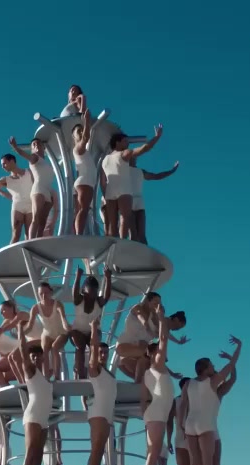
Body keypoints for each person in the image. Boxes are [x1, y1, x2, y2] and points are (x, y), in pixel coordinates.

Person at [184, 337, 242, 465]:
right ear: (206, 369)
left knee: (198, 463)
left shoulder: (191, 384)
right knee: (207, 463)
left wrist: (182, 424)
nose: (214, 367)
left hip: (193, 423)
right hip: (206, 425)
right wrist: (237, 350)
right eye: (212, 366)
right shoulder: (212, 382)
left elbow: (184, 404)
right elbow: (230, 368)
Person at [7, 313, 55, 465]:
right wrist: (20, 330)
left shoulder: (45, 376)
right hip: (33, 415)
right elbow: (22, 351)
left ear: (42, 358)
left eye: (38, 356)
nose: (35, 358)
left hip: (43, 418)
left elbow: (49, 351)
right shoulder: (30, 371)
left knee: (39, 453)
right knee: (31, 451)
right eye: (33, 356)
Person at [101, 126, 163, 239]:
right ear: (117, 142)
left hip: (110, 190)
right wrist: (157, 137)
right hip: (123, 189)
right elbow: (144, 148)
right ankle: (122, 241)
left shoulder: (104, 160)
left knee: (112, 223)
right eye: (125, 141)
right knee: (125, 217)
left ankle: (113, 242)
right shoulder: (123, 154)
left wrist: (105, 194)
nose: (127, 144)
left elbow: (102, 181)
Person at [138, 314, 176, 465]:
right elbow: (163, 339)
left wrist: (145, 416)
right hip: (157, 413)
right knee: (153, 452)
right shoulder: (157, 366)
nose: (164, 354)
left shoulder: (150, 372)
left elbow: (143, 398)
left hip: (156, 413)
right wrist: (161, 319)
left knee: (155, 452)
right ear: (154, 353)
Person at [115, 292, 188, 382]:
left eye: (159, 304)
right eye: (155, 302)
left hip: (135, 354)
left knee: (149, 365)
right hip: (124, 347)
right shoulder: (138, 308)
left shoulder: (153, 318)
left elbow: (163, 333)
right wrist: (148, 327)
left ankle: (139, 384)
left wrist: (178, 342)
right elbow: (141, 317)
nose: (158, 305)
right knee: (149, 356)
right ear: (147, 301)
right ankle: (139, 383)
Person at [84, 318, 117, 465]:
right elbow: (93, 348)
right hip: (98, 413)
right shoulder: (94, 368)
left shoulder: (108, 373)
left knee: (101, 450)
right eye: (100, 352)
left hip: (106, 413)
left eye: (105, 352)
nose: (103, 355)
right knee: (96, 449)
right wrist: (94, 328)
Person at [63, 268, 113, 378]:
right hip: (78, 331)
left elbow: (106, 296)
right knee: (80, 347)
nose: (91, 297)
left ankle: (93, 373)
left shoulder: (98, 302)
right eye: (88, 294)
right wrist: (78, 276)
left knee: (93, 346)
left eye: (94, 294)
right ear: (83, 292)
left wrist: (108, 278)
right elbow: (74, 292)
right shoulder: (79, 300)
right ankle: (81, 375)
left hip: (93, 330)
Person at [8, 136, 57, 240]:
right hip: (38, 190)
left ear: (43, 147)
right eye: (33, 145)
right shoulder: (35, 158)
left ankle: (39, 241)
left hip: (47, 191)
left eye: (38, 143)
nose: (36, 145)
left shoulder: (47, 163)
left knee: (43, 221)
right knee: (36, 218)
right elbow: (24, 155)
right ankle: (31, 241)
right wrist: (16, 147)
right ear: (32, 149)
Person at [128, 160, 179, 245]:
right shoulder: (123, 170)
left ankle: (144, 253)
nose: (134, 160)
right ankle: (132, 251)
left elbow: (156, 176)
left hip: (138, 202)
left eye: (134, 158)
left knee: (141, 236)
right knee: (133, 235)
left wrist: (172, 171)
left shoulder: (140, 171)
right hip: (128, 201)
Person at [69, 97, 99, 234]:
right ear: (74, 137)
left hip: (83, 182)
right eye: (78, 131)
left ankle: (75, 233)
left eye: (81, 130)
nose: (81, 132)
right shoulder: (79, 148)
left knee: (80, 210)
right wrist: (86, 121)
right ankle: (78, 234)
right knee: (84, 209)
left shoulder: (82, 150)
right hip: (85, 182)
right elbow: (86, 138)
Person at [170, 377, 191, 465]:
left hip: (184, 438)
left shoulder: (176, 401)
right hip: (185, 438)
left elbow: (169, 421)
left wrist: (168, 439)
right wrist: (168, 439)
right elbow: (169, 421)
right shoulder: (176, 401)